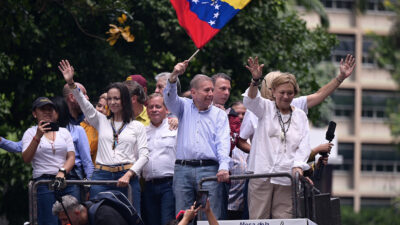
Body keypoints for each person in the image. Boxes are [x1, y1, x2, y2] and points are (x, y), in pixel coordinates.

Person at [59, 60, 149, 215]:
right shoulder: (101, 121)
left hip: (126, 177)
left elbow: (144, 155)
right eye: (110, 99)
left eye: (117, 98)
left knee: (131, 217)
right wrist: (71, 83)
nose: (113, 102)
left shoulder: (137, 126)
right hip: (101, 177)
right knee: (97, 216)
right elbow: (84, 104)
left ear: (125, 100)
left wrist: (129, 174)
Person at [243, 57, 311, 219]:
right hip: (261, 175)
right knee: (258, 220)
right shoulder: (265, 108)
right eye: (282, 92)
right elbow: (251, 100)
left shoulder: (300, 116)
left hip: (286, 178)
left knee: (285, 220)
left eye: (290, 93)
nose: (286, 96)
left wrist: (298, 166)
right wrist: (255, 80)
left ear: (295, 94)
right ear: (273, 92)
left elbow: (304, 145)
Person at [163, 60, 231, 220]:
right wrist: (173, 76)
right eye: (206, 90)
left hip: (209, 170)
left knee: (210, 214)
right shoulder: (183, 106)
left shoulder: (219, 114)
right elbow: (169, 98)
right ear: (193, 92)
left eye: (212, 90)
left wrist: (223, 167)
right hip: (183, 169)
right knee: (182, 216)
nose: (211, 94)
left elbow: (223, 143)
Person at [22, 97, 77, 225]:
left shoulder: (64, 132)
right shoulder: (30, 133)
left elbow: (71, 157)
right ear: (35, 113)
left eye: (50, 109)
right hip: (43, 183)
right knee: (49, 221)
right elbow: (26, 158)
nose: (47, 112)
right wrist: (37, 136)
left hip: (65, 180)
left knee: (72, 220)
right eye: (43, 109)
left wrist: (62, 172)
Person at [142, 93, 177, 225]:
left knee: (167, 221)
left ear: (166, 110)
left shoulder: (174, 128)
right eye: (151, 107)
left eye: (158, 106)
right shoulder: (142, 132)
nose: (154, 110)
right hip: (149, 186)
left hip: (169, 185)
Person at [52, 195, 129, 225]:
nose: (63, 224)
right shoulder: (79, 220)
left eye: (65, 220)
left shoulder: (104, 216)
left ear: (77, 212)